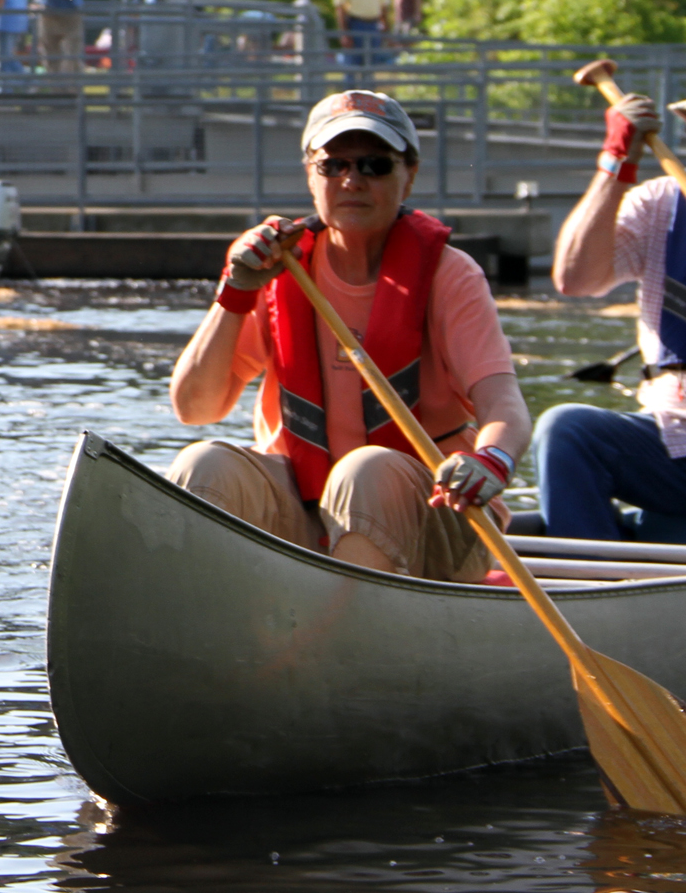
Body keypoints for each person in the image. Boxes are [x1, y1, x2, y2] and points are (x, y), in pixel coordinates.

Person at [165, 90, 529, 579]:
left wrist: (492, 459)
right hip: (304, 512)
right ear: (310, 174)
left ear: (410, 175)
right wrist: (234, 295)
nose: (352, 181)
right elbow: (195, 409)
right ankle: (208, 624)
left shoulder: (451, 275)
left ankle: (348, 635)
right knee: (202, 464)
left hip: (436, 520)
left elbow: (504, 403)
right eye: (333, 165)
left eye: (375, 165)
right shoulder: (276, 268)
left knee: (365, 472)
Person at [540, 88, 686, 540]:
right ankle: (592, 590)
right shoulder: (661, 202)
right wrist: (616, 163)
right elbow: (574, 278)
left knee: (663, 529)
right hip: (671, 437)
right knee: (566, 430)